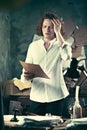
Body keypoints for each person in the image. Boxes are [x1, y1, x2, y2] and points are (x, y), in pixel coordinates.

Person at [21, 12, 73, 117]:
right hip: (37, 96)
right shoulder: (33, 46)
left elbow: (67, 56)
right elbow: (25, 72)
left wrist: (58, 33)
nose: (47, 30)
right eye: (45, 26)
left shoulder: (61, 45)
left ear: (56, 28)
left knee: (58, 127)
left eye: (51, 27)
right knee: (35, 126)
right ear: (41, 28)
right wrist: (25, 76)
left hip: (57, 96)